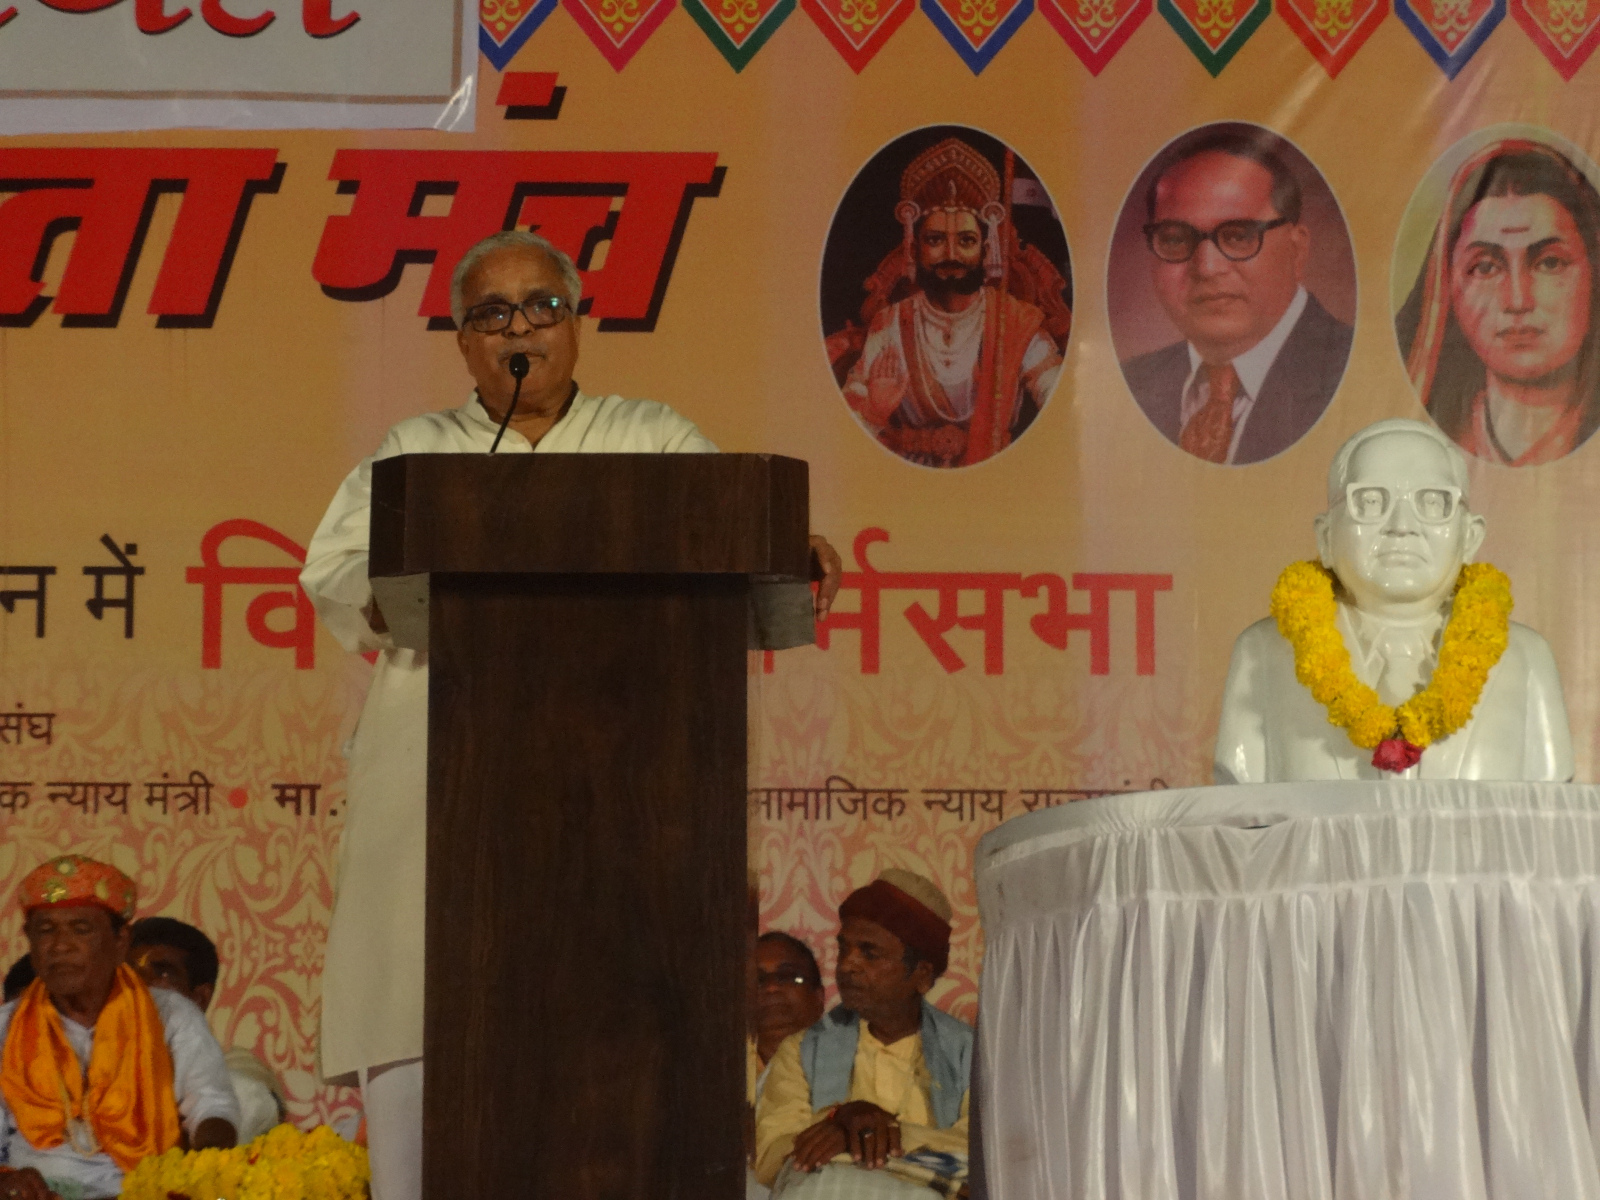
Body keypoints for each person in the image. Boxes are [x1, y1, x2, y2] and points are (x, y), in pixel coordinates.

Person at [300, 230, 843, 1200]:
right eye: (492, 313)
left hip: (629, 801)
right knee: (428, 1038)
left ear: (577, 323)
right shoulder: (417, 454)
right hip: (443, 790)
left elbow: (732, 533)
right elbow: (337, 573)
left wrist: (786, 548)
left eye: (541, 306)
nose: (520, 329)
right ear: (463, 343)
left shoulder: (652, 438)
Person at [1215, 418, 1573, 781]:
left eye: (1432, 502)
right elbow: (1242, 806)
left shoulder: (1526, 659)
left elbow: (1552, 804)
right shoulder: (1263, 653)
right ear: (1325, 537)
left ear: (1470, 537)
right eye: (1370, 501)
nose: (1402, 525)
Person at [0, 857, 239, 1200]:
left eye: (80, 929)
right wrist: (7, 1181)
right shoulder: (6, 1026)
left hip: (146, 1190)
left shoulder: (171, 1015)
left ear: (120, 942)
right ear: (30, 942)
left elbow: (212, 1108)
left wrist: (201, 1176)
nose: (60, 945)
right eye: (46, 930)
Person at [831, 137, 1069, 468]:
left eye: (967, 240)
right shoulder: (891, 323)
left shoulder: (1015, 321)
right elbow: (841, 431)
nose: (951, 254)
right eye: (935, 240)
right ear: (915, 248)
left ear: (986, 249)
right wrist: (875, 409)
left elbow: (1062, 406)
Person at [1121, 128, 1353, 465]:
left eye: (1239, 236)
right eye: (1174, 239)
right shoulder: (1130, 383)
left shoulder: (1356, 370)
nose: (1207, 267)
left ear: (1297, 249)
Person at [755, 870, 972, 1198]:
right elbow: (771, 1155)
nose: (847, 965)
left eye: (870, 953)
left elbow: (985, 1149)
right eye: (844, 949)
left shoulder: (970, 1054)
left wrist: (872, 1133)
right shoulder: (803, 1049)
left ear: (922, 975)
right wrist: (837, 1119)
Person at [1396, 138, 1600, 466]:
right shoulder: (1425, 448)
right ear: (1445, 288)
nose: (1518, 300)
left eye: (1549, 263)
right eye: (1486, 267)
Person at [128, 918, 287, 1143]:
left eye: (161, 975)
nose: (141, 988)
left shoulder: (240, 1070)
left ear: (199, 998)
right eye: (129, 974)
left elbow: (244, 1102)